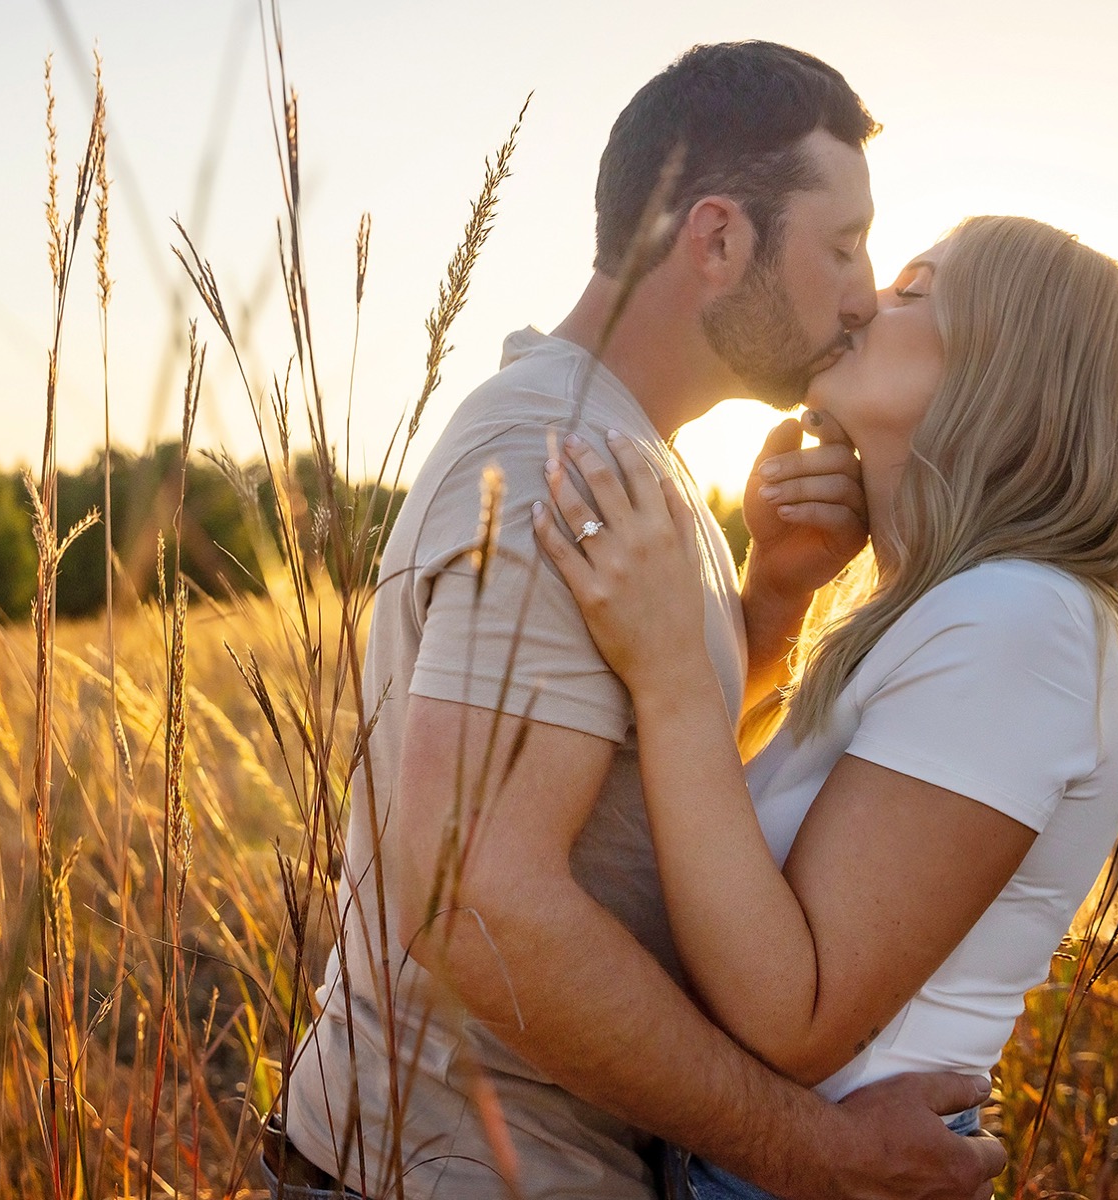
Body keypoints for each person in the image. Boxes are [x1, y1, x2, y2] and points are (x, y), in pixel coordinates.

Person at [271, 40, 1004, 1200]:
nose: (863, 295)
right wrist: (814, 1152)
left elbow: (641, 783)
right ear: (717, 239)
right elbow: (470, 902)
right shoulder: (553, 462)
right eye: (844, 246)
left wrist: (770, 599)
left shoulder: (625, 458)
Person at [532, 215, 1118, 1200]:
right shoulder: (948, 615)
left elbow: (796, 1018)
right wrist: (776, 603)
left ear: (1006, 377)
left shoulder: (1018, 623)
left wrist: (667, 673)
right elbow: (735, 855)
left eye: (915, 291)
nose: (869, 300)